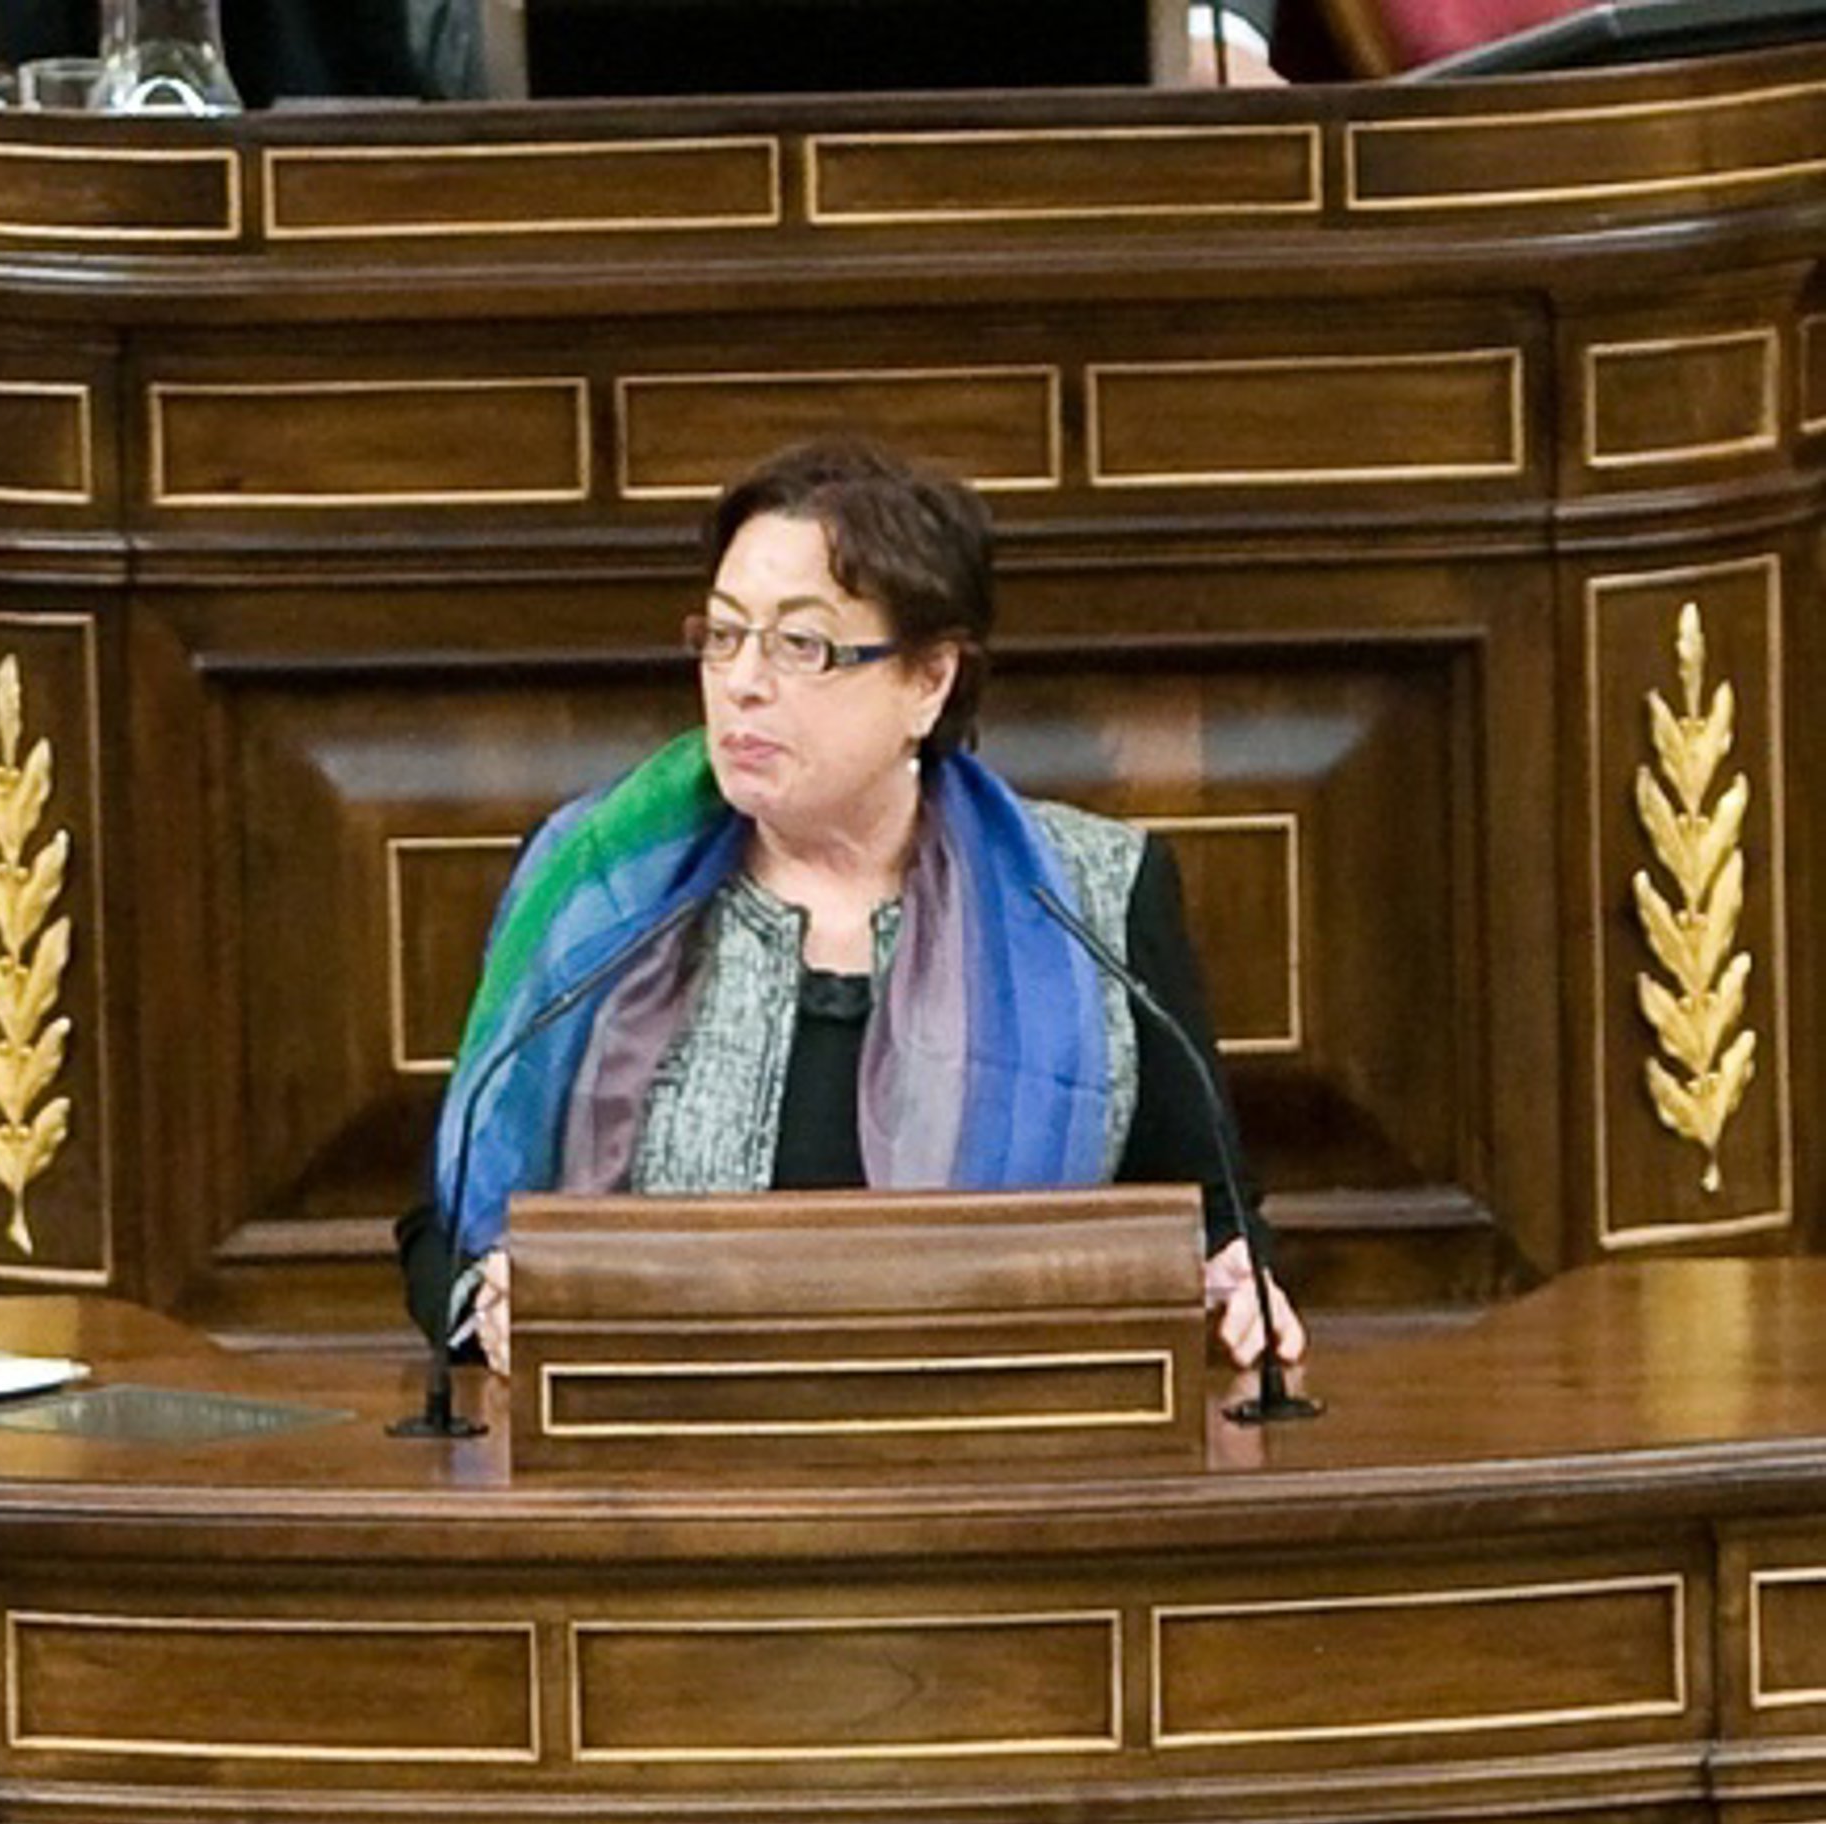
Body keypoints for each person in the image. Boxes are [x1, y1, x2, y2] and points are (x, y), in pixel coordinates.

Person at [399, 439, 1305, 1378]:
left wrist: (1239, 1286)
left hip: (1001, 1440)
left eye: (803, 645)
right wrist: (488, 1305)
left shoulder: (1092, 896)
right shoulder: (594, 887)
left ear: (929, 680)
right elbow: (444, 1229)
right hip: (654, 1445)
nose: (743, 681)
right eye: (723, 634)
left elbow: (1216, 1223)